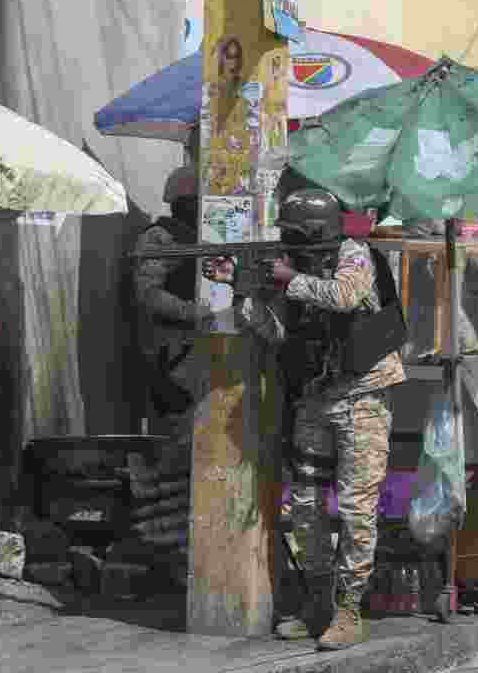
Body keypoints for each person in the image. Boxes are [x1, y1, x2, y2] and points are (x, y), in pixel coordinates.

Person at [202, 187, 406, 651]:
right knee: (307, 506)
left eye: (294, 235)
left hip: (363, 396)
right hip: (316, 397)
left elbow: (347, 297)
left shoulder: (356, 255)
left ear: (314, 233)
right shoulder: (297, 271)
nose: (288, 243)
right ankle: (317, 602)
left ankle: (349, 609)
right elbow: (276, 334)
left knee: (356, 509)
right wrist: (241, 290)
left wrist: (288, 277)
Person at [133, 167, 210, 441]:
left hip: (202, 348)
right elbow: (148, 294)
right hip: (174, 347)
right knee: (178, 430)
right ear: (183, 203)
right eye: (198, 202)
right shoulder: (161, 237)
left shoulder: (206, 237)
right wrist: (192, 312)